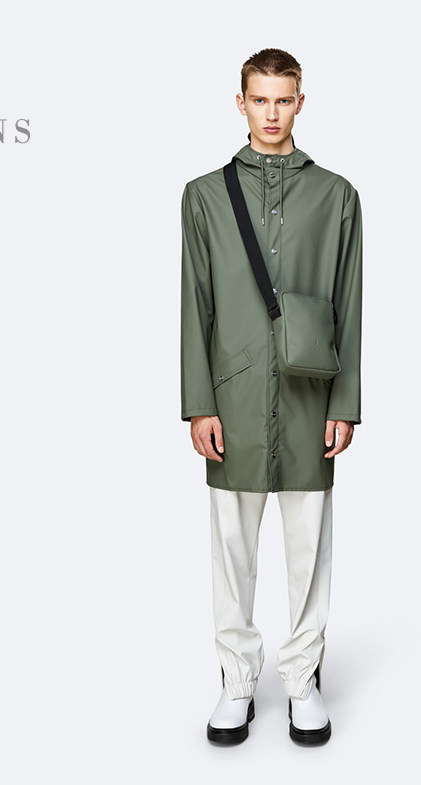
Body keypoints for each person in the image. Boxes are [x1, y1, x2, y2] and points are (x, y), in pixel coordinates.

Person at [179, 48, 363, 746]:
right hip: (231, 398)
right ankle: (236, 680)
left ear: (300, 102)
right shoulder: (203, 196)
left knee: (309, 546)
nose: (272, 113)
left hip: (311, 397)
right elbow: (194, 303)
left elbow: (350, 303)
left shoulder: (337, 196)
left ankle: (302, 679)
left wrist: (344, 403)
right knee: (231, 548)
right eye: (260, 99)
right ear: (241, 103)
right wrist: (200, 402)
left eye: (284, 99)